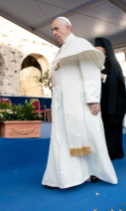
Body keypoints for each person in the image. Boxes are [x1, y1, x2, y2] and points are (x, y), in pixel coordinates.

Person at [42, 17, 117, 189]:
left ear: (67, 28)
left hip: (80, 102)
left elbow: (91, 73)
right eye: (52, 30)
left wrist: (93, 100)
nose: (54, 33)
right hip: (62, 101)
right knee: (61, 139)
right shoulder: (62, 50)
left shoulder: (80, 45)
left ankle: (93, 171)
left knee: (89, 135)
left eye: (56, 29)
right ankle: (62, 177)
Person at [94, 38, 126, 161]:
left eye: (99, 50)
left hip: (111, 103)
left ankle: (113, 152)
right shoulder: (95, 63)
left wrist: (103, 76)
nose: (96, 53)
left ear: (106, 51)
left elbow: (119, 82)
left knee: (112, 129)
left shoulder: (113, 64)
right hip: (100, 101)